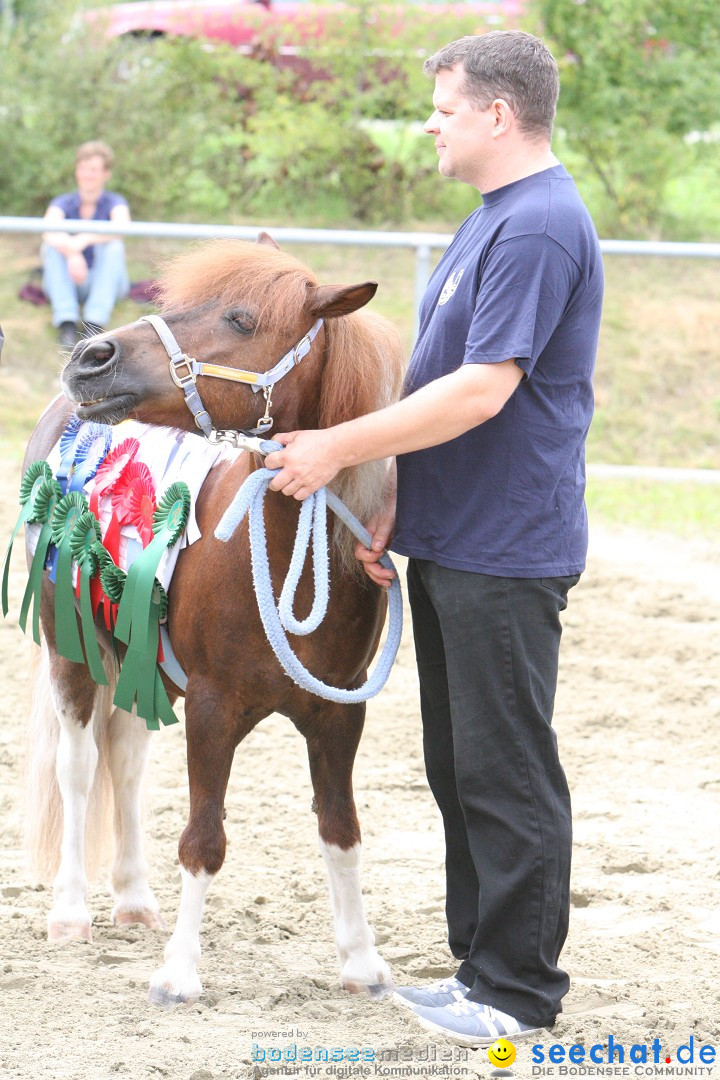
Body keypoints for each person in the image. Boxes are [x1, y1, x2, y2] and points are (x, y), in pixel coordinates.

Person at [264, 30, 604, 1046]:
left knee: (505, 768)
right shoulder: (492, 220)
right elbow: (437, 382)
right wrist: (397, 498)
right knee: (463, 768)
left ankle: (517, 990)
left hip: (508, 547)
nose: (432, 123)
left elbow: (482, 389)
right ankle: (480, 969)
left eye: (446, 108)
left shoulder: (539, 226)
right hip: (458, 538)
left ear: (500, 115)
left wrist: (333, 449)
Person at [42, 141, 131, 347]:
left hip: (106, 283)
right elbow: (47, 229)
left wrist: (83, 239)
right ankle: (66, 322)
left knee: (114, 246)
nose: (87, 174)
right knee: (50, 247)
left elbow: (122, 227)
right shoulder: (63, 202)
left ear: (106, 173)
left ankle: (94, 323)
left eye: (93, 169)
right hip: (67, 281)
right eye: (82, 168)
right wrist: (72, 253)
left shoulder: (115, 202)